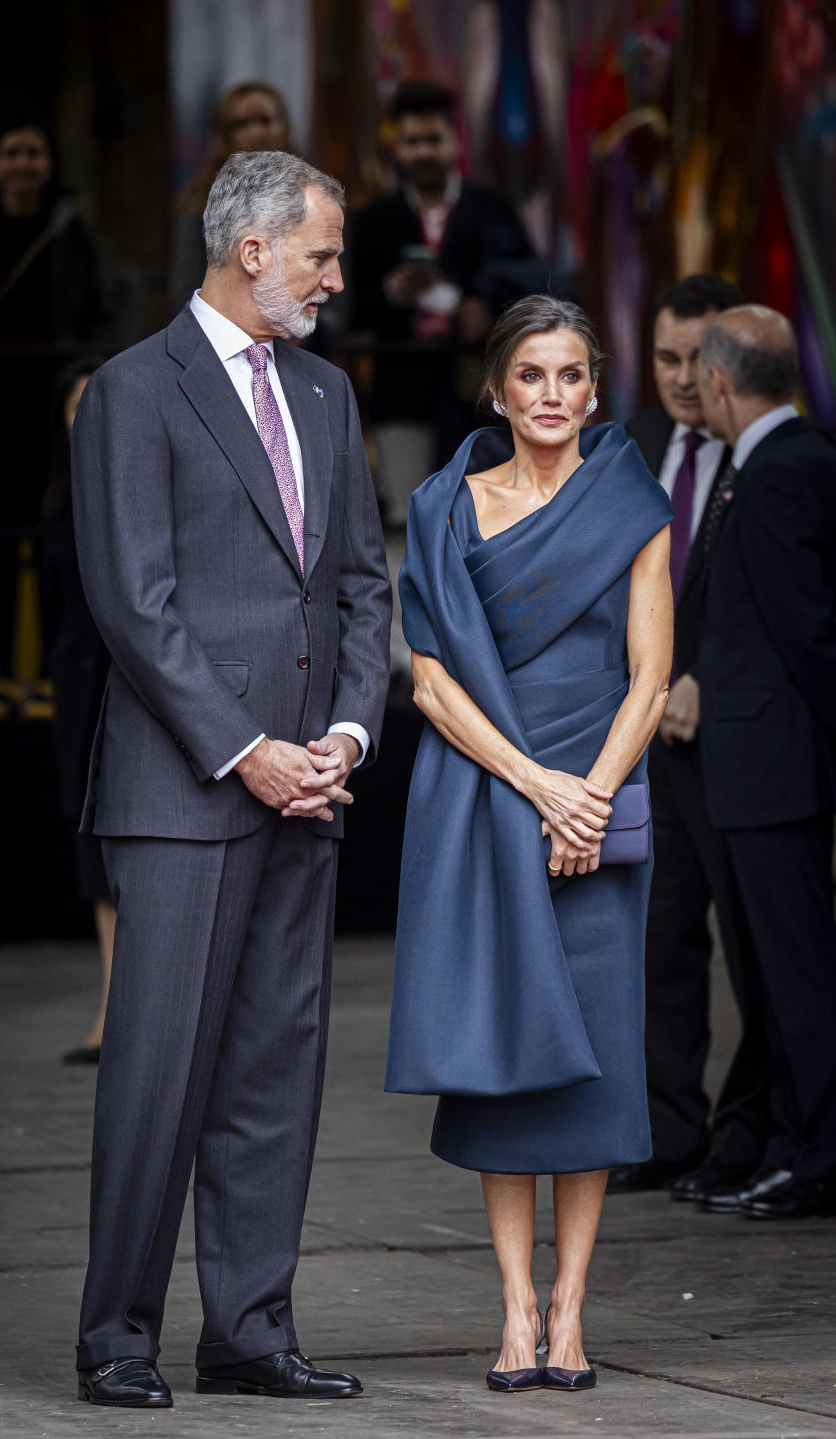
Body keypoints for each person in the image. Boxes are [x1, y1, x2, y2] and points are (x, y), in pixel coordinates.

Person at [70, 150, 391, 1407]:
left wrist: (346, 739)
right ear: (250, 249)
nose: (336, 274)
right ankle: (118, 1336)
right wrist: (250, 751)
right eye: (321, 250)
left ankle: (250, 1329)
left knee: (273, 1071)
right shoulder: (131, 392)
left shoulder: (327, 392)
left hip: (312, 786)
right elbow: (132, 606)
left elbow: (363, 585)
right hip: (187, 793)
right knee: (155, 1076)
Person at [386, 296, 673, 1393]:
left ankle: (570, 1312)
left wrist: (589, 798)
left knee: (595, 1052)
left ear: (595, 388)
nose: (552, 395)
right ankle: (511, 1311)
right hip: (488, 795)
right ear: (497, 389)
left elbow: (651, 674)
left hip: (597, 790)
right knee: (505, 1053)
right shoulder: (443, 508)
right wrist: (536, 786)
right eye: (531, 375)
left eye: (571, 376)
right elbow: (431, 680)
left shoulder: (633, 501)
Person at [609, 274, 773, 1201]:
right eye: (666, 357)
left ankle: (756, 1129)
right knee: (659, 938)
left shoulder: (767, 455)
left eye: (697, 359)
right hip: (639, 741)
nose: (681, 377)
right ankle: (669, 1130)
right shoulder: (631, 443)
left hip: (734, 740)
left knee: (753, 948)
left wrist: (705, 674)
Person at [696, 305, 836, 1220]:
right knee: (776, 973)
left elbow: (808, 631)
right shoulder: (781, 461)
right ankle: (789, 1142)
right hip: (757, 761)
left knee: (798, 974)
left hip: (776, 762)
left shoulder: (784, 468)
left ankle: (820, 1156)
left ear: (718, 380)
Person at [0, 118, 107, 710]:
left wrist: (80, 382)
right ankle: (5, 674)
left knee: (57, 545)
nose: (23, 163)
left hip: (52, 413)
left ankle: (50, 675)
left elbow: (93, 314)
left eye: (34, 152)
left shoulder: (70, 230)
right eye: (12, 152)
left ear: (51, 163)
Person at [350, 79, 535, 523]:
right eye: (412, 142)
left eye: (433, 140)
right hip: (401, 391)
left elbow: (531, 287)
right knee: (411, 521)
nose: (423, 153)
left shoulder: (493, 208)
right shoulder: (375, 219)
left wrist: (486, 311)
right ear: (396, 147)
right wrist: (395, 291)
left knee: (487, 521)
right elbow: (349, 307)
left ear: (455, 143)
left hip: (480, 393)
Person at [40, 357, 114, 1065]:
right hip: (77, 687)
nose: (86, 417)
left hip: (134, 684)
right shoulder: (58, 498)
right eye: (74, 407)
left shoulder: (139, 485)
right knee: (91, 848)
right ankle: (108, 1008)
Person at [169, 82, 294, 313]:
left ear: (284, 127)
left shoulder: (315, 195)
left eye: (264, 120)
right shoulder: (200, 203)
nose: (255, 132)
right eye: (242, 124)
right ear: (225, 135)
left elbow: (333, 289)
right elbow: (186, 290)